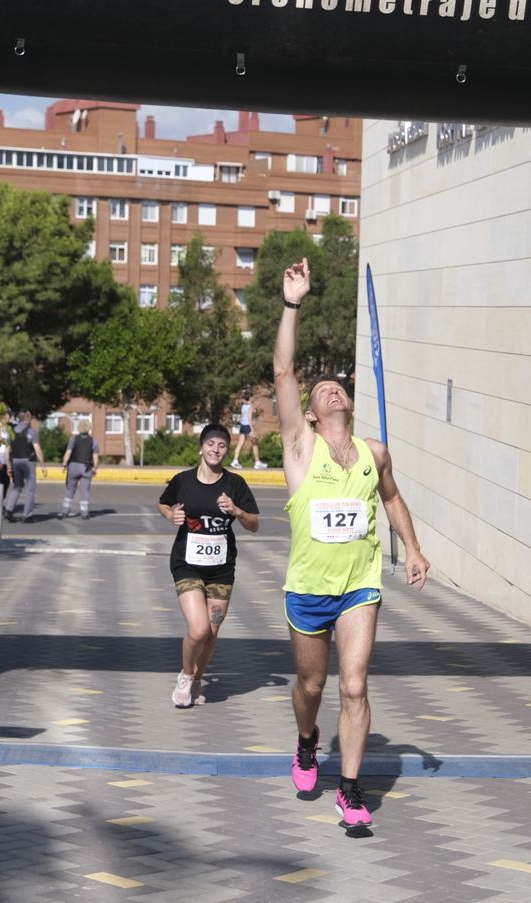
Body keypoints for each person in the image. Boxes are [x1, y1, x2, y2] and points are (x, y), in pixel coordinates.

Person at [273, 258, 429, 830]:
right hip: (308, 588)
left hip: (359, 587)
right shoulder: (299, 448)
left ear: (350, 405)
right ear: (311, 415)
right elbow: (284, 371)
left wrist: (411, 547)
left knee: (356, 685)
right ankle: (308, 740)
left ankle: (352, 790)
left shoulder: (374, 453)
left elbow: (391, 499)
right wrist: (293, 303)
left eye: (338, 386)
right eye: (322, 389)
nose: (331, 388)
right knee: (312, 685)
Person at [157, 423, 260, 708]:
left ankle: (199, 677)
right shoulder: (183, 480)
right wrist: (170, 516)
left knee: (212, 633)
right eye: (211, 444)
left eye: (222, 445)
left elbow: (254, 524)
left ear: (227, 450)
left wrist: (237, 510)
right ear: (201, 447)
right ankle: (186, 676)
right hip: (187, 563)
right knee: (199, 629)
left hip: (221, 568)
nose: (216, 450)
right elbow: (163, 503)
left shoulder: (235, 484)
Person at [3, 412, 46, 522]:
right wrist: (42, 464)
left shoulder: (11, 432)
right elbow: (37, 449)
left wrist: (8, 465)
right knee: (30, 489)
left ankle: (8, 509)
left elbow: (7, 450)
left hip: (15, 461)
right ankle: (27, 515)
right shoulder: (31, 432)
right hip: (28, 461)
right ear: (27, 418)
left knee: (17, 487)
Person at [60, 421, 101, 519]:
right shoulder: (93, 441)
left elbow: (68, 452)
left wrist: (64, 464)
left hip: (73, 466)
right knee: (85, 491)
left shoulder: (73, 439)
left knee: (70, 489)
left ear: (79, 428)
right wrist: (95, 468)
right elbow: (95, 457)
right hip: (86, 467)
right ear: (89, 428)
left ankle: (65, 511)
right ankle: (84, 513)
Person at [230, 397, 265, 469]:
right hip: (248, 426)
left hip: (242, 426)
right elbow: (249, 418)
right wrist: (252, 430)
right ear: (250, 398)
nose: (254, 398)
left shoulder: (243, 406)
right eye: (253, 397)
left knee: (240, 444)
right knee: (255, 443)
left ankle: (235, 461)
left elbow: (249, 413)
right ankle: (257, 462)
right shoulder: (250, 406)